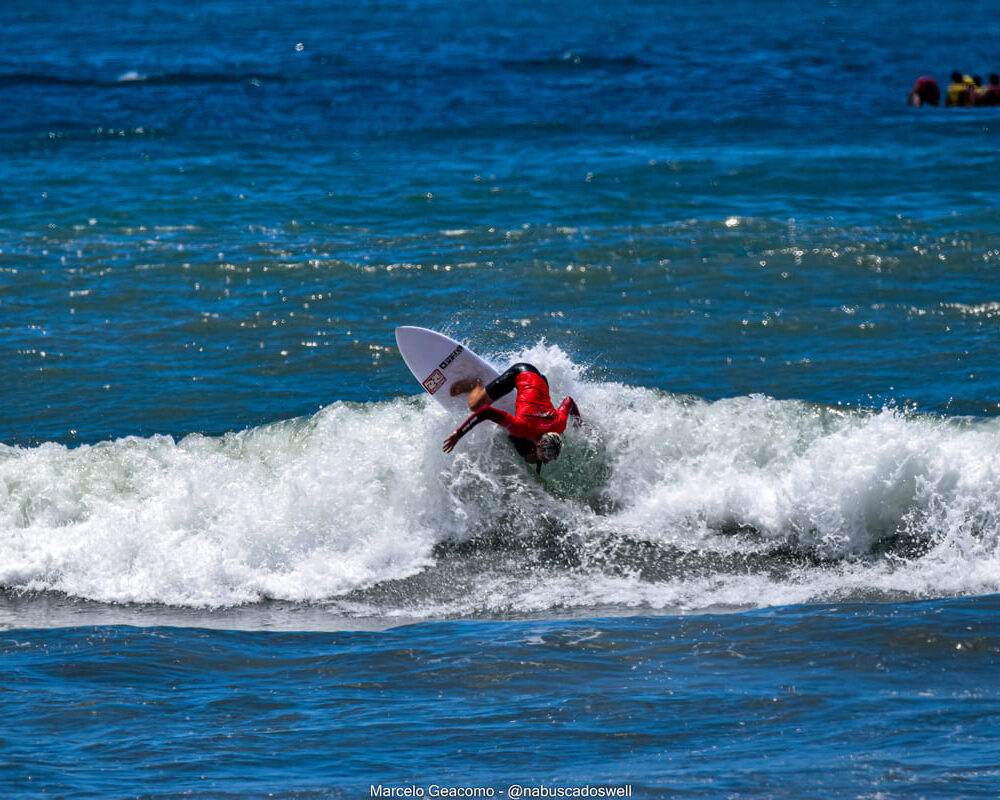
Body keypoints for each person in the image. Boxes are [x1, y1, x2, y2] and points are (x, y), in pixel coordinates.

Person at [442, 363, 581, 473]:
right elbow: (485, 412)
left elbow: (569, 401)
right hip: (521, 373)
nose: (546, 461)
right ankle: (475, 385)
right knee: (474, 406)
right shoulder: (521, 426)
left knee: (531, 457)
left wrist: (578, 422)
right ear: (538, 444)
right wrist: (458, 434)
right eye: (546, 458)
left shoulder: (559, 424)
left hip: (541, 383)